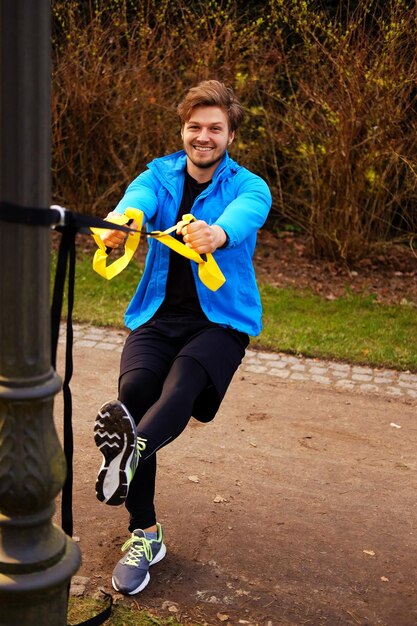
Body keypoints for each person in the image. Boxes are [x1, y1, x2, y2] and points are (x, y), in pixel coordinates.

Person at [93, 79, 272, 596]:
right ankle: (145, 534)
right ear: (183, 129)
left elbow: (240, 221)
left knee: (179, 388)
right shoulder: (160, 173)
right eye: (195, 126)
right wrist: (122, 222)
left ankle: (128, 456)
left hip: (219, 323)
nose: (203, 136)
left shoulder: (249, 186)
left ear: (230, 135)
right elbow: (138, 199)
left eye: (215, 128)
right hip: (158, 317)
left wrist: (214, 233)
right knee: (132, 398)